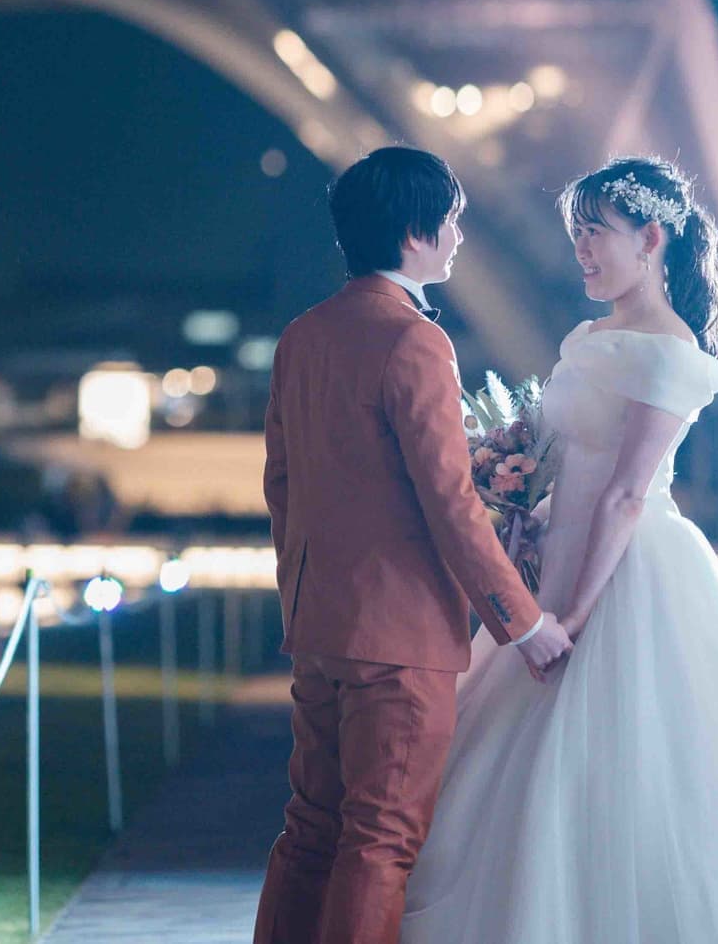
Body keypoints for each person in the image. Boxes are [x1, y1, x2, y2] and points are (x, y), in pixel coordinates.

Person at [404, 156, 718, 942]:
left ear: (652, 238)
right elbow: (567, 463)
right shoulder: (592, 337)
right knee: (513, 764)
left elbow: (627, 494)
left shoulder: (671, 351)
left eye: (596, 234)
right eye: (577, 236)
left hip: (628, 572)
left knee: (624, 765)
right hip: (562, 560)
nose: (583, 252)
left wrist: (569, 612)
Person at [254, 146, 573, 943]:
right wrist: (524, 622)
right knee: (382, 839)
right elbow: (451, 503)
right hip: (400, 640)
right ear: (414, 231)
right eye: (454, 219)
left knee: (310, 828)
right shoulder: (415, 341)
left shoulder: (303, 335)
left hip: (320, 627)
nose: (461, 235)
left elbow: (281, 485)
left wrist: (307, 592)